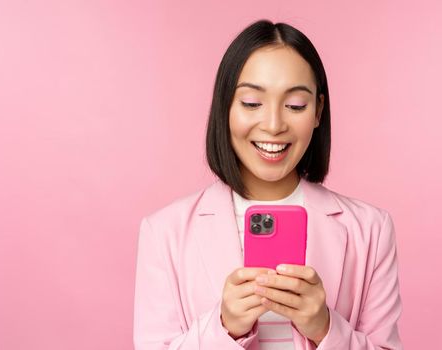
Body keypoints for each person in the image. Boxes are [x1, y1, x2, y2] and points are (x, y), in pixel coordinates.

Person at [133, 19, 403, 349]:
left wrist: (325, 328)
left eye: (295, 106)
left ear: (318, 111)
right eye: (251, 103)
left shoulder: (371, 229)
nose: (274, 125)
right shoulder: (164, 232)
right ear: (226, 107)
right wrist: (224, 327)